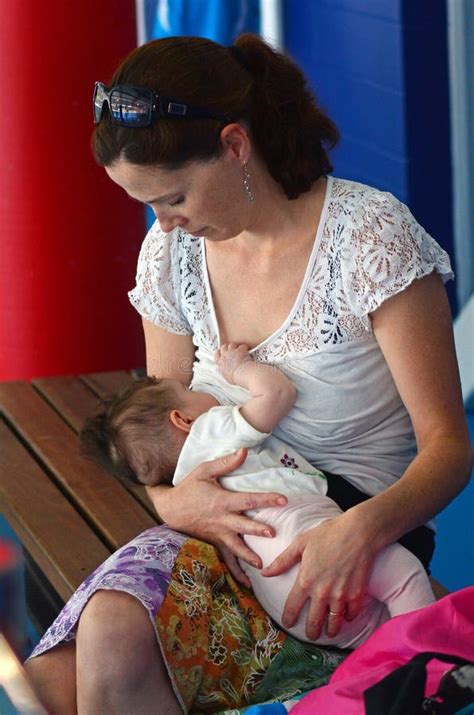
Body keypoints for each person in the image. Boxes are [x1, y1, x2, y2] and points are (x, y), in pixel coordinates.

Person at [25, 33, 471, 715]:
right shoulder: (170, 256)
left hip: (358, 545)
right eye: (148, 205)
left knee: (92, 672)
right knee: (67, 671)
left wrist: (359, 533)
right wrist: (181, 504)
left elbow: (449, 450)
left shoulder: (368, 239)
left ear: (235, 146)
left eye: (172, 197)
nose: (165, 224)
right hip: (233, 544)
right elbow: (163, 446)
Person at [80, 342, 435, 649]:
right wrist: (239, 369)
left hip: (280, 599)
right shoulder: (210, 431)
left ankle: (394, 675)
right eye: (192, 392)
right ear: (183, 420)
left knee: (374, 631)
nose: (207, 393)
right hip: (307, 548)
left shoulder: (184, 478)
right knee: (405, 577)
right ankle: (429, 664)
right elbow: (277, 394)